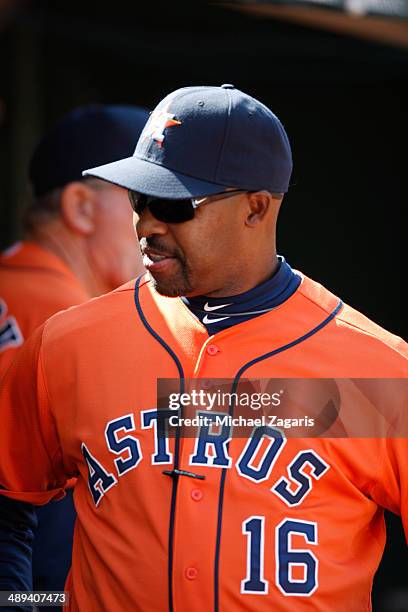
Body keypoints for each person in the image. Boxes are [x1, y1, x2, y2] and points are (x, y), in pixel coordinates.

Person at [0, 84, 406, 611]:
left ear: (256, 208)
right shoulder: (70, 343)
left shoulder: (373, 367)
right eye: (137, 198)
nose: (147, 224)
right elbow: (8, 495)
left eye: (172, 202)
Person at [0, 104, 148, 602]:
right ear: (82, 207)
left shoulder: (17, 285)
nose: (162, 223)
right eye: (145, 201)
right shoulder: (73, 325)